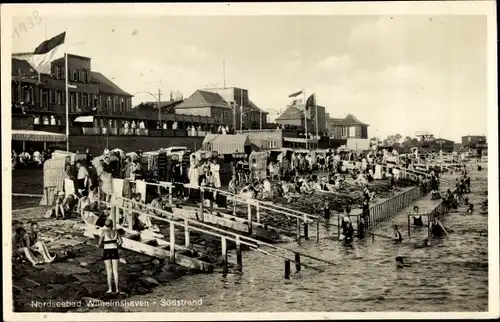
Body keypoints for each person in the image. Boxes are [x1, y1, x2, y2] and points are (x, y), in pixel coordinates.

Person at [98, 219, 123, 294]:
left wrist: (104, 245)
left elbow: (99, 243)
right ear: (112, 225)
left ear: (105, 225)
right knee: (116, 271)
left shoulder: (103, 232)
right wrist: (116, 244)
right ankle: (117, 289)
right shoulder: (116, 232)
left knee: (109, 271)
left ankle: (110, 289)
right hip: (115, 251)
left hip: (107, 251)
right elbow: (121, 242)